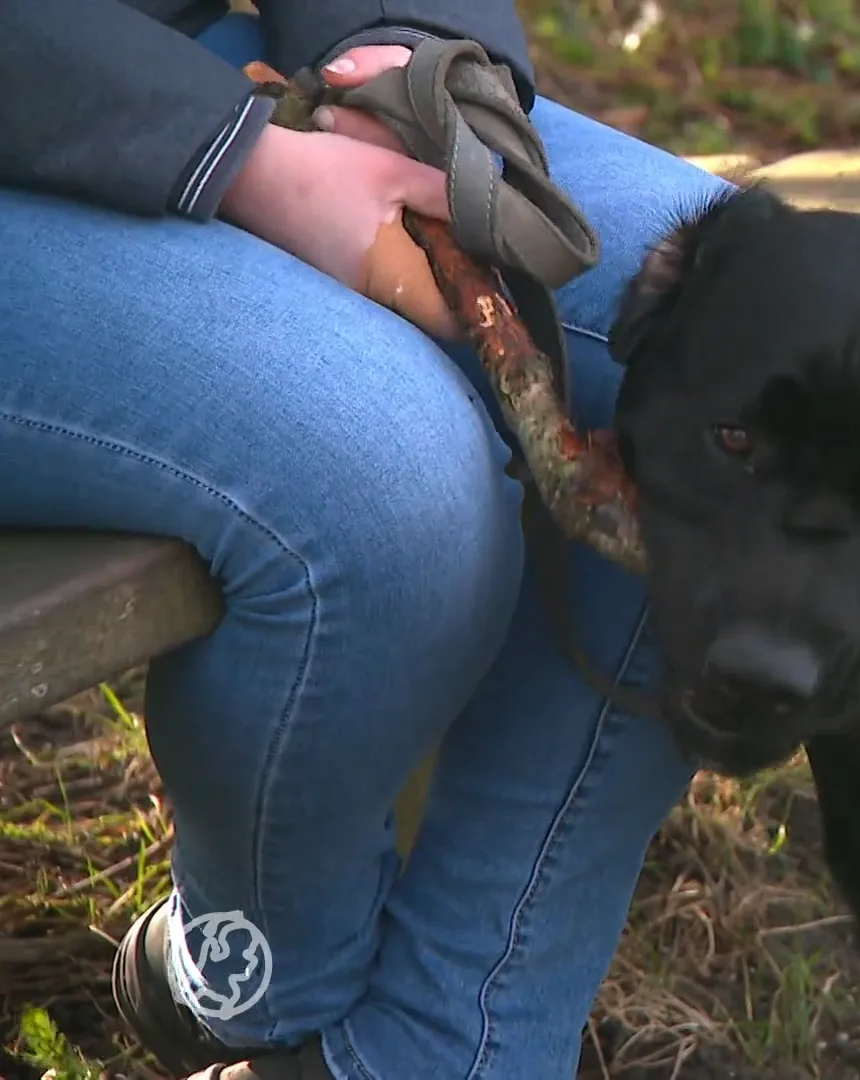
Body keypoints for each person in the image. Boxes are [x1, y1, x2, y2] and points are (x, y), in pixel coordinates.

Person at [0, 3, 733, 1078]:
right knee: (389, 473)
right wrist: (227, 156)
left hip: (183, 43)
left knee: (728, 345)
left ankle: (442, 1050)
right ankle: (258, 979)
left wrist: (411, 48)